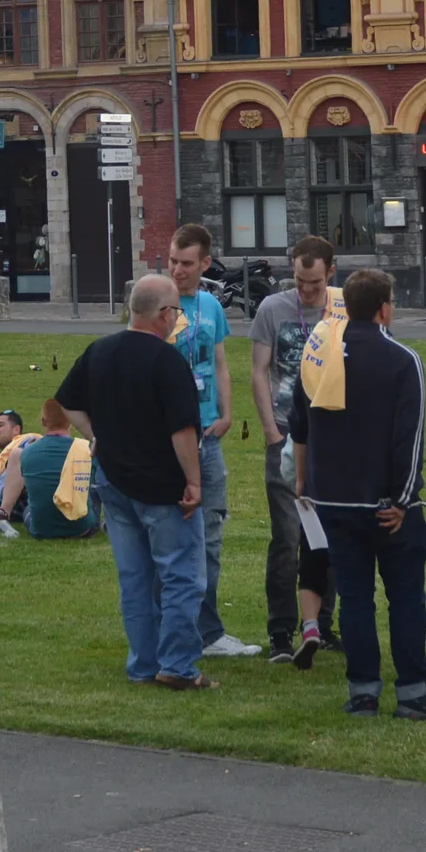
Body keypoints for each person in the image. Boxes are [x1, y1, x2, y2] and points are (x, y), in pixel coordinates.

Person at [290, 268, 426, 720]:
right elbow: (408, 437)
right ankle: (413, 692)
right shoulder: (401, 358)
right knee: (404, 597)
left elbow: (300, 423)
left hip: (333, 499)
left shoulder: (317, 354)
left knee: (355, 598)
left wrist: (305, 484)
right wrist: (402, 498)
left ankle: (362, 691)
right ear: (385, 308)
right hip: (384, 502)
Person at [55, 274, 210, 690]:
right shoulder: (166, 360)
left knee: (135, 576)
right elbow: (183, 432)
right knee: (180, 574)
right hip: (163, 486)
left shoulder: (100, 350)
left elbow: (67, 401)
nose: (177, 318)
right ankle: (177, 665)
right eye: (175, 311)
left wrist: (93, 435)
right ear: (162, 314)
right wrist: (194, 482)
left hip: (114, 480)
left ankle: (143, 663)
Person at [249, 235, 339, 664]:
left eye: (315, 283)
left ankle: (323, 623)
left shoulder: (340, 307)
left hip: (330, 441)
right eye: (300, 282)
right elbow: (259, 369)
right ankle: (281, 630)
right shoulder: (273, 309)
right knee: (286, 537)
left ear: (330, 274)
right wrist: (270, 430)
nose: (306, 291)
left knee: (327, 536)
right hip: (285, 432)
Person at [165, 225, 252, 658]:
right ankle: (172, 627)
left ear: (204, 264)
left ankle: (209, 631)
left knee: (210, 533)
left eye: (186, 264)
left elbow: (219, 364)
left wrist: (226, 413)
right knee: (168, 534)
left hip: (207, 436)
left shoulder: (211, 307)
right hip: (165, 439)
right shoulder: (156, 304)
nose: (177, 271)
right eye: (172, 262)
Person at [16, 400, 101, 539]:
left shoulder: (26, 453)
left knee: (28, 507)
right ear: (70, 422)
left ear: (43, 422)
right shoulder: (87, 450)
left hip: (41, 529)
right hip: (81, 528)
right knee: (95, 486)